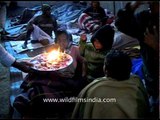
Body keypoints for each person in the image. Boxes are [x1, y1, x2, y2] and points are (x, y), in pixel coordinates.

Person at [72, 50, 150, 119]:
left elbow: (81, 112)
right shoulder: (137, 81)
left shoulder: (93, 89)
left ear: (105, 69)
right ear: (129, 68)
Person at [115, 1, 159, 118]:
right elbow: (121, 24)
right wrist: (134, 5)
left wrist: (157, 46)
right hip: (151, 76)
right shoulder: (146, 18)